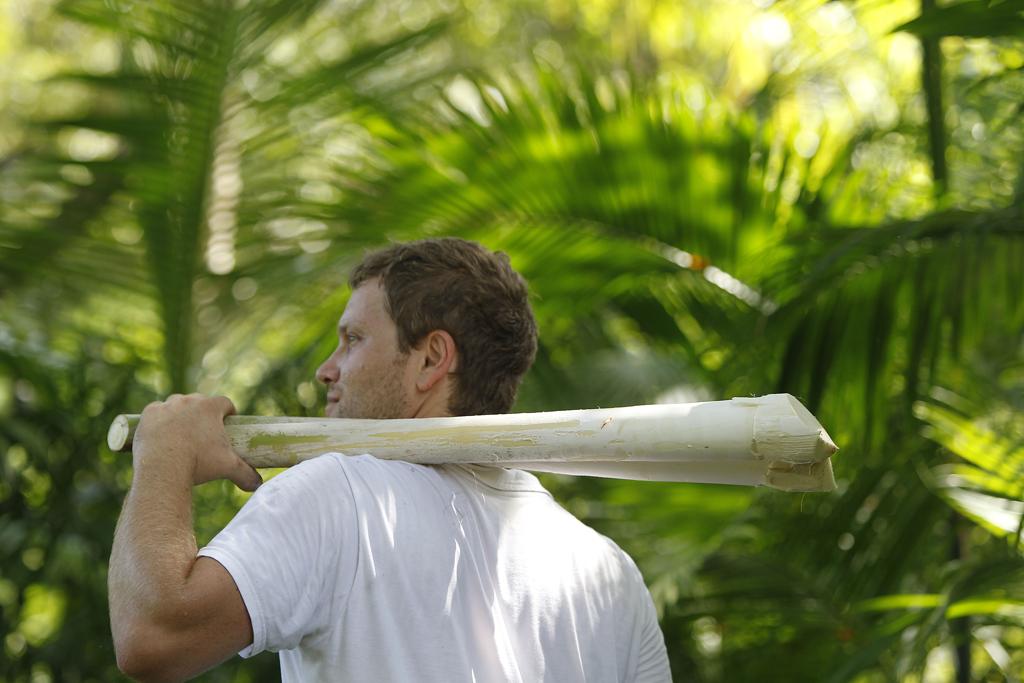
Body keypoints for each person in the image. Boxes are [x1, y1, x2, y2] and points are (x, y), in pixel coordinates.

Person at [109, 238, 671, 682]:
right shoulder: (610, 572)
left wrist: (165, 457)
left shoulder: (341, 495)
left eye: (352, 340)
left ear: (431, 361)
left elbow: (154, 638)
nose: (326, 371)